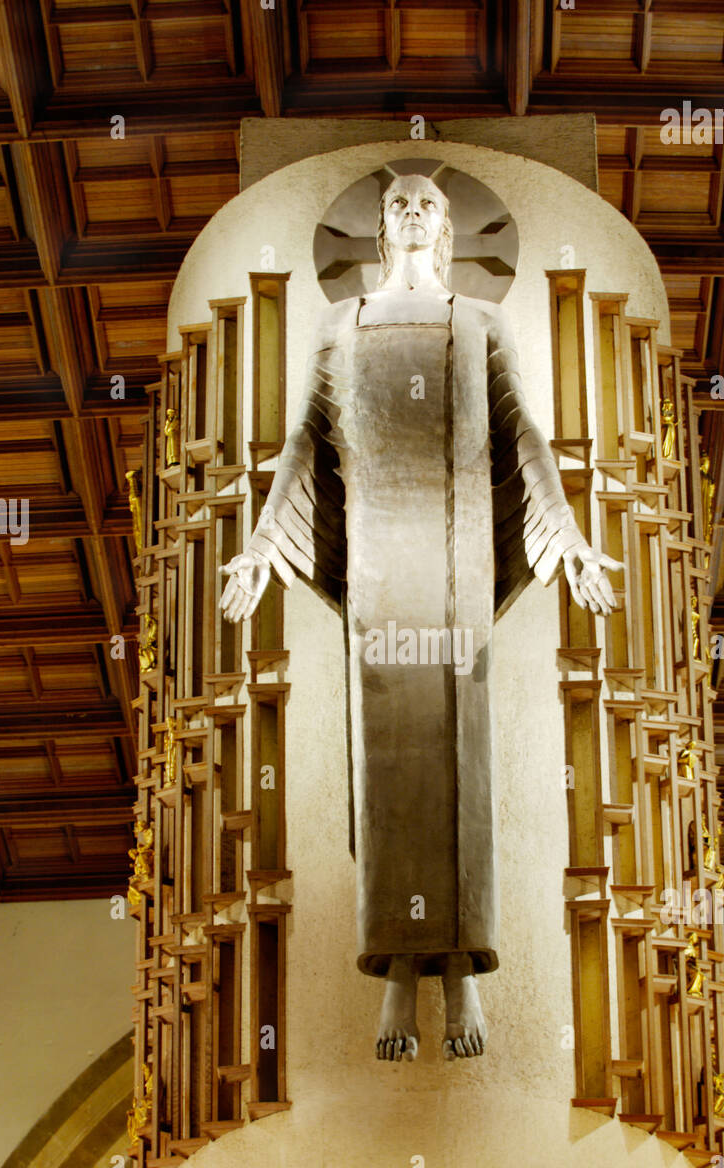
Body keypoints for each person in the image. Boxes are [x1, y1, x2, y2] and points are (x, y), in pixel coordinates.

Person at [220, 175, 621, 1063]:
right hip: (380, 556)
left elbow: (523, 437)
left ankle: (463, 966)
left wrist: (569, 537)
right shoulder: (340, 325)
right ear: (374, 229)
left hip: (460, 556)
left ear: (446, 231)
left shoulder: (479, 323)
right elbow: (304, 447)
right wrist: (259, 549)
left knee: (463, 759)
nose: (410, 213)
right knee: (389, 762)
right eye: (397, 204)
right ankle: (400, 965)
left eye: (427, 207)